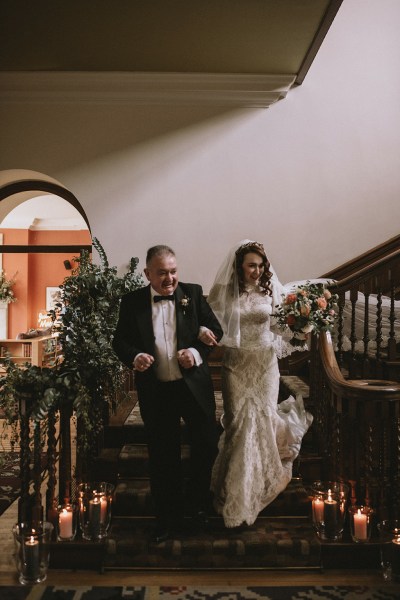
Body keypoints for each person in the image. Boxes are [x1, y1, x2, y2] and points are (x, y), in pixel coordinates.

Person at [112, 244, 223, 543]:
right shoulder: (132, 302)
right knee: (163, 456)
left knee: (206, 445)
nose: (169, 279)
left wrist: (196, 353)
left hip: (193, 389)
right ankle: (166, 518)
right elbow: (119, 341)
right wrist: (134, 357)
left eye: (173, 271)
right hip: (157, 391)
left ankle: (198, 508)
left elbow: (215, 331)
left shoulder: (193, 294)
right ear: (147, 273)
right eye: (162, 273)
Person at [204, 239, 313, 528]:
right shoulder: (223, 292)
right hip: (235, 366)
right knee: (239, 424)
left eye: (260, 265)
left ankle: (257, 488)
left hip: (265, 366)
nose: (257, 270)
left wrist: (299, 330)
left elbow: (280, 327)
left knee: (262, 419)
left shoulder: (273, 291)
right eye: (251, 265)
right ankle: (236, 493)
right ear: (239, 266)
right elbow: (209, 323)